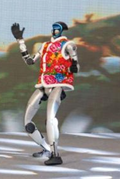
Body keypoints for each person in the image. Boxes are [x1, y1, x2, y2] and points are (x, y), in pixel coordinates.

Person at [11, 21, 79, 166]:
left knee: (50, 119)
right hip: (43, 84)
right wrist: (20, 41)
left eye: (57, 29)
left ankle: (55, 155)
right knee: (27, 122)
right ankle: (47, 149)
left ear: (62, 30)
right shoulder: (45, 46)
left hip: (58, 84)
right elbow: (30, 61)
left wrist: (73, 65)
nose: (54, 31)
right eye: (53, 29)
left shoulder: (68, 45)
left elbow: (75, 64)